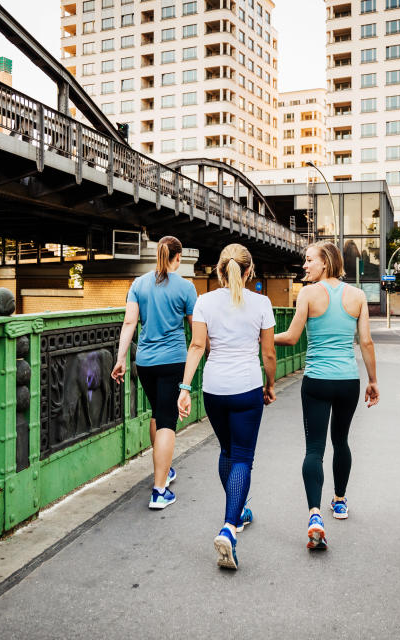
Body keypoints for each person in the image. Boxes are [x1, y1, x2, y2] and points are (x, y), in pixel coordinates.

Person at [274, 241, 378, 551]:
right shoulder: (358, 296)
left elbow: (291, 337)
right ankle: (340, 501)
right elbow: (367, 343)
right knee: (341, 441)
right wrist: (373, 380)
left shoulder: (307, 295)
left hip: (317, 380)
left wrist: (262, 334)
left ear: (326, 263)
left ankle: (315, 516)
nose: (304, 266)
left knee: (315, 448)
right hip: (348, 380)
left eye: (309, 261)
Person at [178, 243, 277, 570]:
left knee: (227, 452)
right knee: (244, 457)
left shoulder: (204, 301)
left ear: (219, 271)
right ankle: (229, 527)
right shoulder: (262, 302)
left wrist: (184, 387)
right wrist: (270, 383)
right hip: (247, 387)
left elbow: (196, 345)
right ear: (249, 272)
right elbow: (269, 354)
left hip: (214, 389)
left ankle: (238, 510)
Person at [112, 236, 197, 510]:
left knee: (158, 414)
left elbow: (129, 323)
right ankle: (159, 491)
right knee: (168, 421)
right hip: (173, 361)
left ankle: (164, 470)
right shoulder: (186, 288)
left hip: (145, 363)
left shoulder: (139, 284)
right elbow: (197, 331)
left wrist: (120, 358)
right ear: (178, 257)